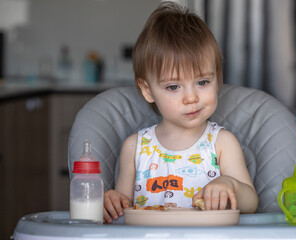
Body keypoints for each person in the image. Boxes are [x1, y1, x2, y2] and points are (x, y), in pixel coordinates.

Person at [103, 1, 258, 224]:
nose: (191, 97)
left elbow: (251, 204)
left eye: (202, 81)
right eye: (174, 87)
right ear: (148, 90)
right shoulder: (135, 148)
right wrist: (113, 201)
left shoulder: (222, 143)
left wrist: (230, 185)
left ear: (218, 79)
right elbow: (123, 210)